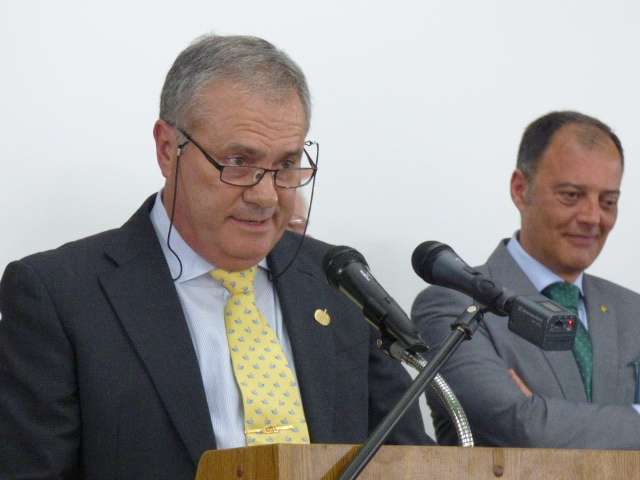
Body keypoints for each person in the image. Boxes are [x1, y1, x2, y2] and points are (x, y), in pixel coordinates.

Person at [0, 34, 432, 480]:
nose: (266, 196)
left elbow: (410, 463)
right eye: (239, 161)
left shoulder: (336, 282)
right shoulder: (59, 296)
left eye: (287, 165)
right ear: (168, 149)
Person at [412, 111, 640, 449]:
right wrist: (533, 418)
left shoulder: (633, 312)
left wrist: (543, 412)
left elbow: (536, 423)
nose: (593, 217)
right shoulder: (454, 303)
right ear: (520, 190)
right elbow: (520, 426)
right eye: (571, 195)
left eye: (608, 201)